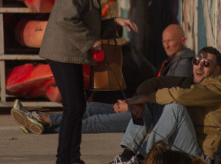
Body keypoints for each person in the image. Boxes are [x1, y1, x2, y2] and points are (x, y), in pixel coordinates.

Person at [38, 0, 138, 164]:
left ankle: (74, 161)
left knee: (78, 106)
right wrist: (89, 41)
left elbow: (85, 22)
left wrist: (114, 23)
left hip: (70, 53)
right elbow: (66, 20)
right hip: (63, 53)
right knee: (73, 108)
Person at [11, 24, 194, 135]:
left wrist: (132, 105)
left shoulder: (184, 65)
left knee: (96, 121)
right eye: (164, 41)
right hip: (145, 108)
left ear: (183, 40)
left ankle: (45, 123)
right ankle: (43, 121)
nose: (166, 45)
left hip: (153, 118)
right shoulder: (173, 61)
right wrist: (131, 102)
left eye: (170, 41)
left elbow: (170, 98)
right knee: (92, 107)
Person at [92, 46, 221, 164]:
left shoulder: (218, 87)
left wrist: (146, 97)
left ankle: (144, 159)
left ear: (217, 70)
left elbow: (179, 96)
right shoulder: (194, 82)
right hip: (186, 147)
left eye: (206, 64)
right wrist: (140, 99)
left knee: (175, 108)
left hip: (201, 159)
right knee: (150, 104)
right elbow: (156, 83)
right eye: (196, 61)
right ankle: (127, 156)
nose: (199, 66)